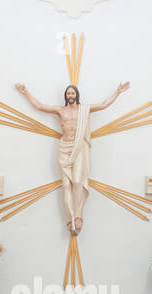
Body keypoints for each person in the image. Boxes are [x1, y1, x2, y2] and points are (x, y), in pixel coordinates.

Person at [15, 79, 129, 234]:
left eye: (72, 93)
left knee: (77, 181)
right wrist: (26, 93)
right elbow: (40, 106)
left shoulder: (84, 109)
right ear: (66, 95)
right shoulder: (60, 110)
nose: (70, 95)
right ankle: (70, 219)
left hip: (79, 147)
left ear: (76, 95)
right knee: (66, 185)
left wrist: (118, 92)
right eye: (68, 93)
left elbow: (103, 104)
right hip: (64, 147)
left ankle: (79, 215)